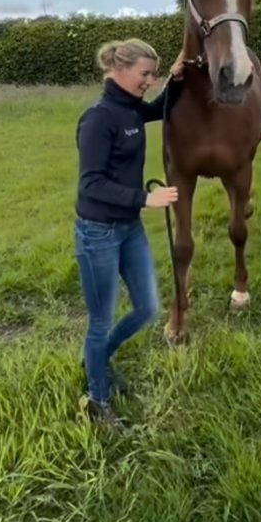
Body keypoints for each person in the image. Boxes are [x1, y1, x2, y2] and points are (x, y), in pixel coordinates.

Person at [75, 38, 184, 426]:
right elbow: (91, 184)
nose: (149, 82)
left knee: (148, 308)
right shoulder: (99, 118)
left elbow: (157, 110)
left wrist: (175, 77)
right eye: (144, 74)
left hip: (129, 229)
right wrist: (145, 198)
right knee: (101, 321)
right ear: (119, 70)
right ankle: (98, 400)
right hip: (98, 233)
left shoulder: (131, 108)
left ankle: (97, 361)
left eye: (153, 74)